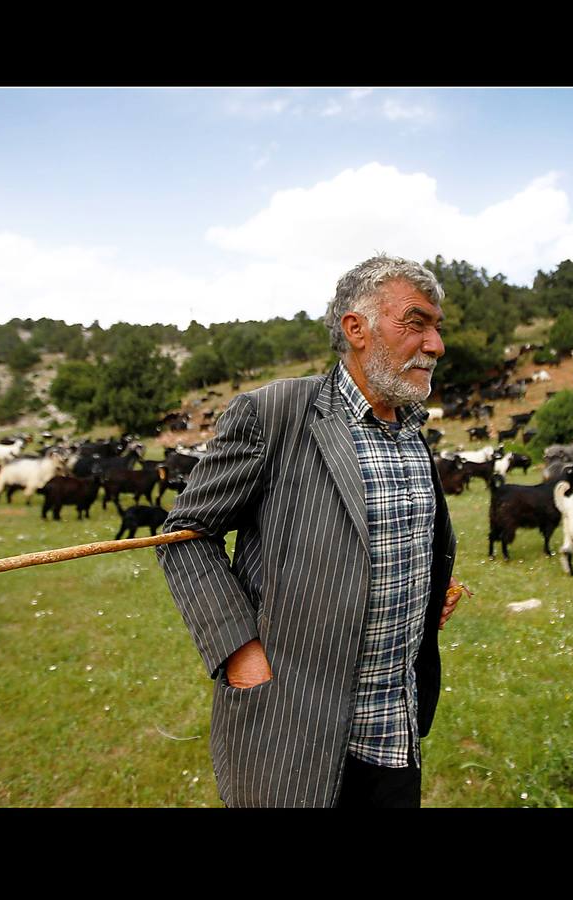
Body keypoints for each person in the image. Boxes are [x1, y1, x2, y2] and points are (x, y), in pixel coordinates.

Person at [156, 253, 465, 808]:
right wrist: (238, 651)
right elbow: (187, 533)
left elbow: (386, 543)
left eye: (437, 329)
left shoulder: (414, 433)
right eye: (416, 323)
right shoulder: (275, 413)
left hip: (393, 726)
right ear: (356, 328)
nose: (435, 344)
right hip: (292, 727)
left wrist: (424, 596)